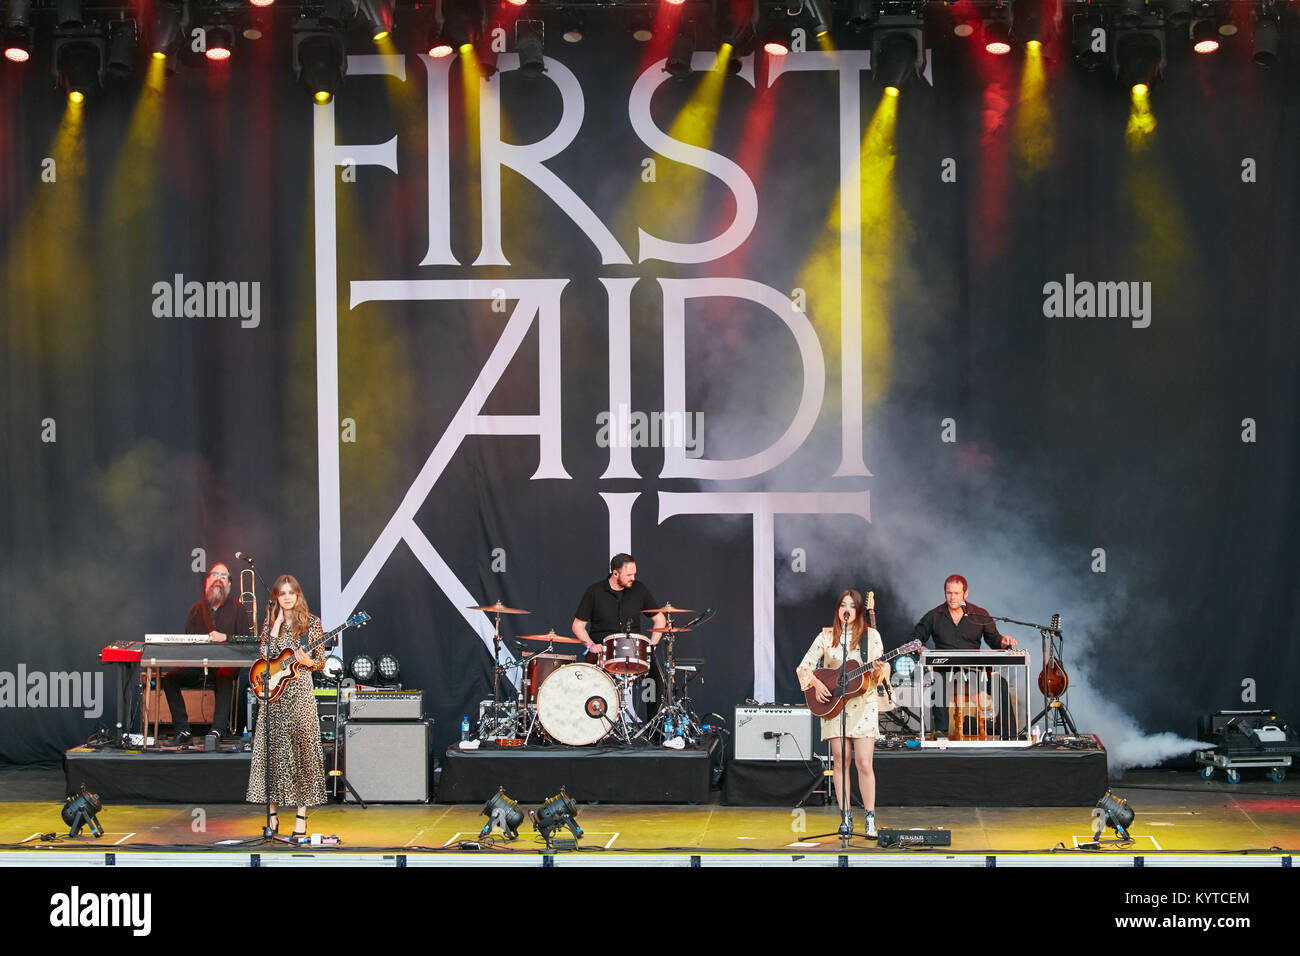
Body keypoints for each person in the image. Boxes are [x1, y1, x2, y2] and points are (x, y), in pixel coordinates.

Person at [797, 589, 887, 838]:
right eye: (842, 605)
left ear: (858, 611)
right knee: (840, 761)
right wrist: (817, 684)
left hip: (863, 705)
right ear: (838, 610)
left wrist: (878, 669)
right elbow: (804, 667)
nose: (846, 609)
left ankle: (870, 818)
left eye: (852, 606)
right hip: (834, 704)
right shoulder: (826, 636)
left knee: (864, 762)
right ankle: (845, 817)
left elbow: (877, 677)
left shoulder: (871, 636)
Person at [246, 574, 328, 839]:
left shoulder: (312, 623)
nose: (287, 597)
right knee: (273, 753)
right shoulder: (272, 622)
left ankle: (301, 818)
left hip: (300, 695)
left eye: (291, 592)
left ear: (298, 595)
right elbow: (264, 657)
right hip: (274, 696)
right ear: (277, 598)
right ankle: (272, 816)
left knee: (302, 751)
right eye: (282, 593)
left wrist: (307, 663)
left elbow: (320, 661)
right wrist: (276, 624)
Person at [907, 574, 1016, 738]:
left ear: (965, 594)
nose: (952, 597)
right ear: (944, 593)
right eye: (949, 593)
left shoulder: (979, 614)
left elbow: (994, 640)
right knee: (937, 681)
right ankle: (941, 734)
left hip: (975, 672)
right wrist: (921, 648)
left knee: (1000, 684)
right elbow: (913, 640)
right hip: (944, 671)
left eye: (956, 593)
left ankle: (1010, 735)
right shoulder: (934, 616)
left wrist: (1003, 641)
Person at [572, 554, 668, 729]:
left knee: (656, 681)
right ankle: (595, 730)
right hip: (603, 650)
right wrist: (590, 645)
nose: (633, 578)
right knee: (592, 685)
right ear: (615, 573)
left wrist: (652, 646)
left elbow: (660, 619)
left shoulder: (639, 590)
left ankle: (655, 730)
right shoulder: (595, 591)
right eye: (629, 575)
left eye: (634, 574)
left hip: (636, 650)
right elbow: (578, 626)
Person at [161, 563, 252, 746]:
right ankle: (183, 730)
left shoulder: (238, 609)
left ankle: (217, 731)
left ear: (229, 584)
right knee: (169, 678)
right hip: (198, 665)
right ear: (207, 581)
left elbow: (247, 641)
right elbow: (188, 642)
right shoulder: (196, 609)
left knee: (225, 674)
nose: (219, 578)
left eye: (224, 576)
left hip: (226, 665)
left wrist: (225, 637)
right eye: (215, 574)